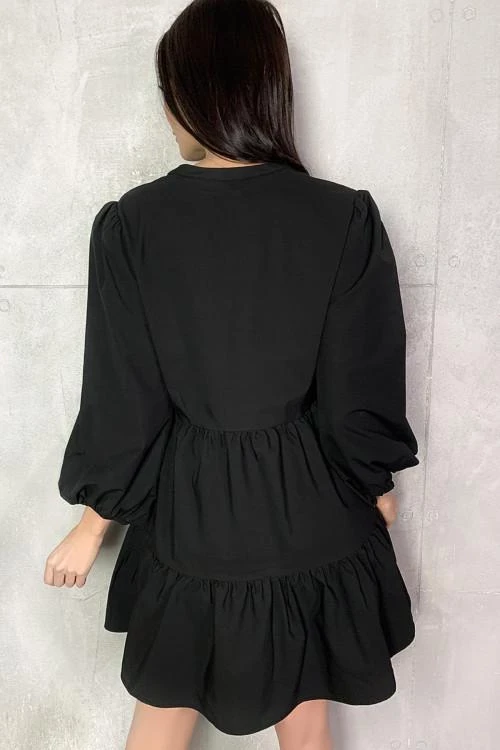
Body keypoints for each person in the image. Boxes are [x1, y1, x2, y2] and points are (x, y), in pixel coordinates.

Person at [43, 0, 420, 747]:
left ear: (194, 95)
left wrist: (92, 524)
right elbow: (360, 388)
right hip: (311, 516)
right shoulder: (343, 217)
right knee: (307, 723)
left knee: (160, 716)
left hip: (193, 520)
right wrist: (376, 483)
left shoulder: (132, 225)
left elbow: (125, 398)